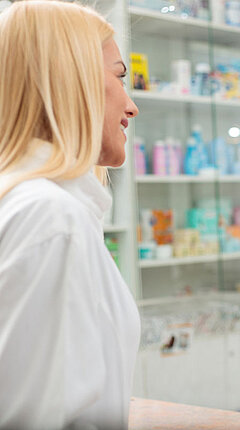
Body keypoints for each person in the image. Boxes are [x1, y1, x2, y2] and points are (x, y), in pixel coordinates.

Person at [0, 1, 140, 428]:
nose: (132, 106)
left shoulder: (37, 205)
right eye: (118, 76)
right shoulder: (52, 218)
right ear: (69, 82)